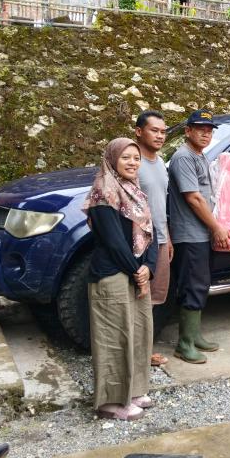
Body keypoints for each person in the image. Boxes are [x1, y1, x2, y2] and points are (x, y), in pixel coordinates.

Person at [83, 137, 156, 421]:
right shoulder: (104, 193)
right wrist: (139, 273)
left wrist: (148, 267)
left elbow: (150, 232)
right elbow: (114, 242)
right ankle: (110, 403)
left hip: (135, 273)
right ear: (112, 159)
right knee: (113, 338)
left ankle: (134, 390)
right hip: (112, 274)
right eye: (125, 157)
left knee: (138, 332)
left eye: (136, 158)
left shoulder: (134, 190)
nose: (132, 163)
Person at [168, 110, 230, 364]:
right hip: (190, 234)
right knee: (192, 285)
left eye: (209, 130)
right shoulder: (183, 157)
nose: (206, 134)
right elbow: (193, 198)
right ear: (188, 131)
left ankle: (194, 336)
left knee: (201, 283)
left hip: (200, 233)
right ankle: (184, 344)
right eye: (200, 129)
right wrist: (216, 227)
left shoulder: (199, 155)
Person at [135, 110, 173, 368]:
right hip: (140, 241)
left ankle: (144, 350)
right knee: (139, 296)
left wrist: (167, 237)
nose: (160, 136)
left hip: (159, 238)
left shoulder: (159, 162)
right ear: (139, 132)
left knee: (154, 298)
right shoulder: (131, 162)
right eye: (154, 131)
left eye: (163, 132)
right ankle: (138, 354)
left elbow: (160, 204)